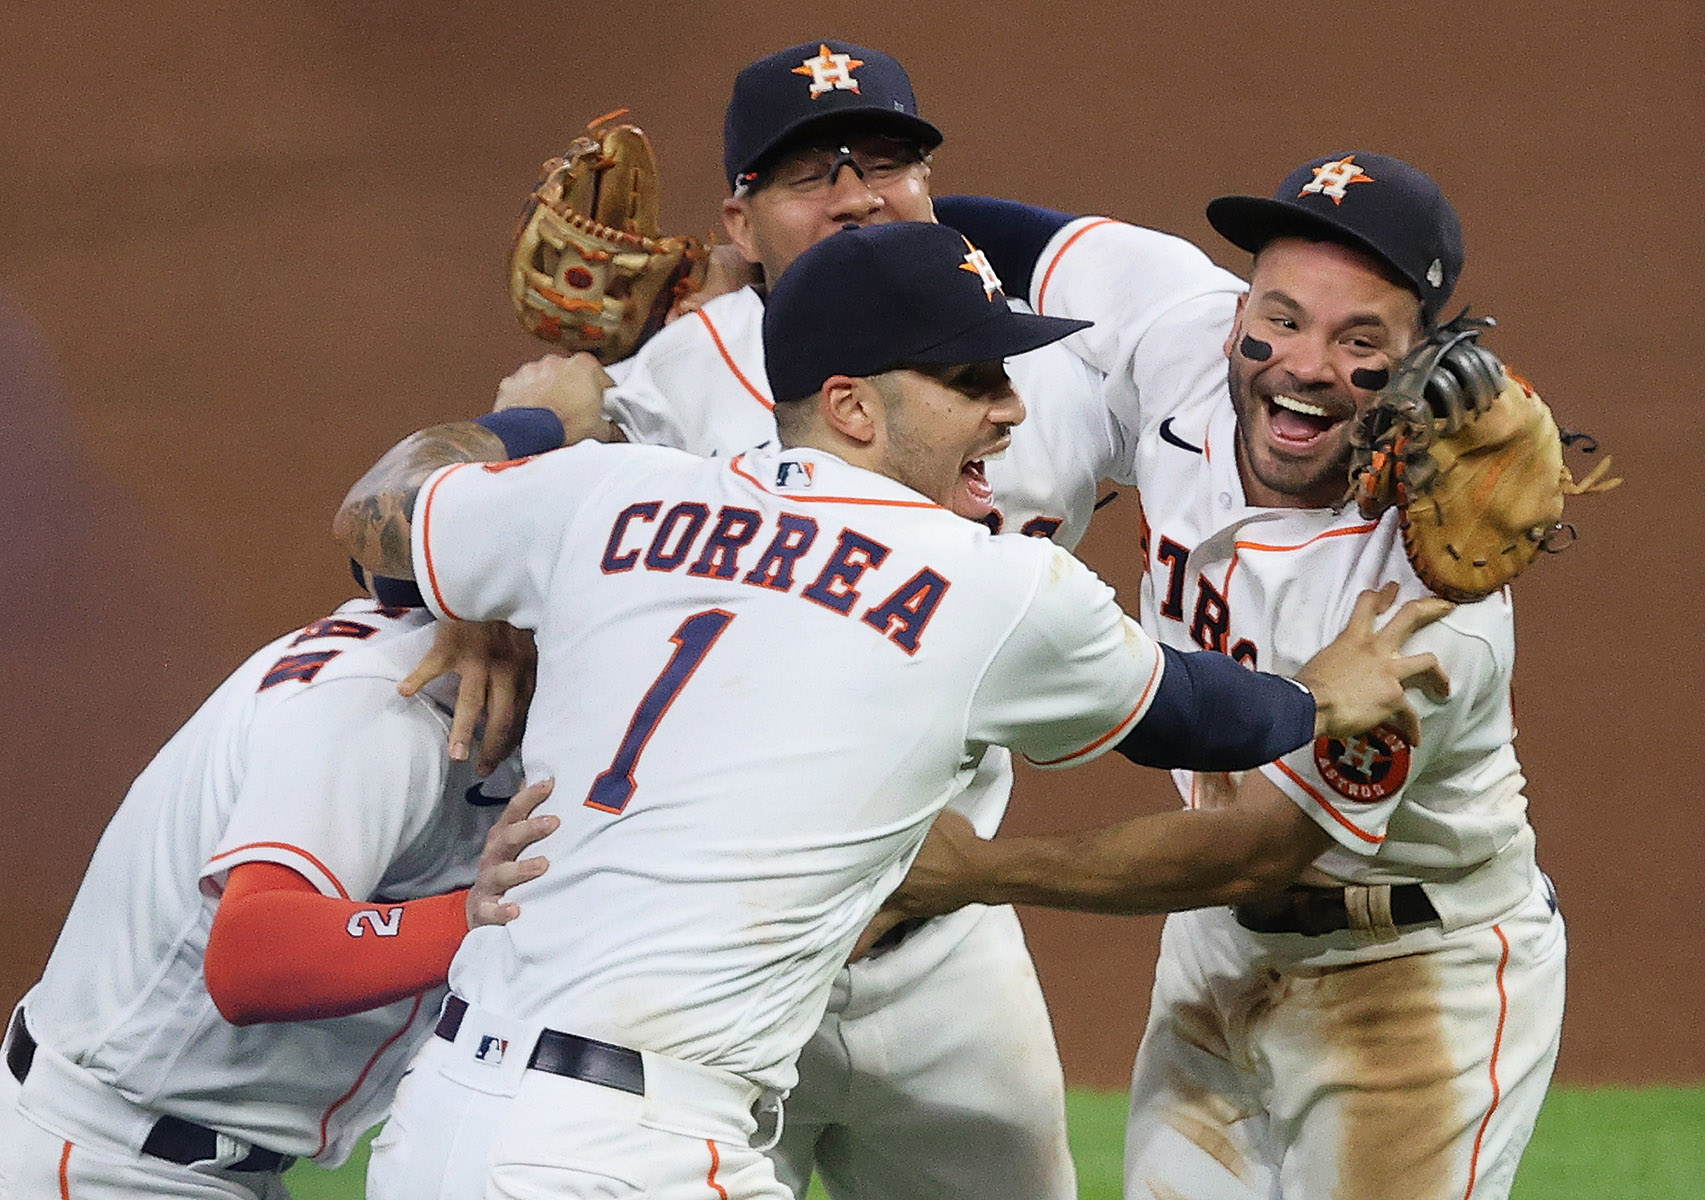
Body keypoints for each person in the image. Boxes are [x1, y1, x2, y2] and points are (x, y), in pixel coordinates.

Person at [333, 220, 1451, 1200]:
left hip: (444, 1124)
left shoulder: (611, 491)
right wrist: (1317, 698)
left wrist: (536, 424)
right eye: (972, 379)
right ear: (855, 406)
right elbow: (1203, 716)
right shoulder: (986, 584)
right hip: (636, 1152)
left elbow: (379, 515)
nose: (1012, 409)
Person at [482, 38, 1249, 1200]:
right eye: (808, 175)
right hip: (717, 975)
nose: (856, 194)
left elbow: (1239, 407)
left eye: (888, 161)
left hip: (945, 955)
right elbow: (522, 535)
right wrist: (490, 551)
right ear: (736, 226)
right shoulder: (663, 392)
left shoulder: (1038, 363)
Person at [878, 156, 1569, 1199]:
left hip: (1417, 991)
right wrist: (767, 274)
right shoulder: (1180, 330)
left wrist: (973, 871)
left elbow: (1259, 851)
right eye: (1282, 319)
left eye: (1360, 340)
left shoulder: (1427, 597)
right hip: (1219, 957)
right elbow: (989, 233)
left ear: (1422, 360)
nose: (1304, 363)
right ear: (1240, 307)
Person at [0, 597, 552, 1199]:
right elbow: (253, 959)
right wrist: (467, 916)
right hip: (109, 1162)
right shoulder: (386, 706)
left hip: (182, 1163)